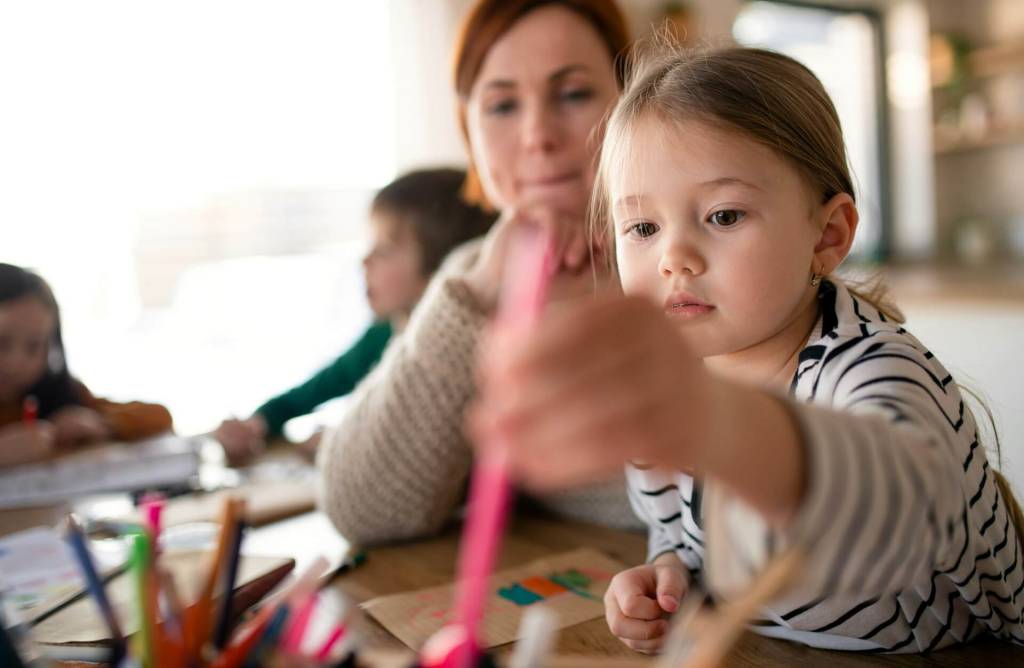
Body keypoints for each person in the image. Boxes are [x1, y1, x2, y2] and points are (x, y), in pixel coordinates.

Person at [470, 46, 1024, 653]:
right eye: (643, 228)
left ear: (828, 235)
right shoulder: (682, 383)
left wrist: (712, 419)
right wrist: (672, 574)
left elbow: (896, 510)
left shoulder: (875, 369)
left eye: (724, 215)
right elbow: (683, 534)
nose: (672, 256)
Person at [317, 0, 643, 545]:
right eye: (501, 105)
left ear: (631, 102)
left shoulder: (692, 253)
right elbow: (359, 507)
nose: (538, 134)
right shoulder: (466, 275)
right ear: (468, 132)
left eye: (574, 94)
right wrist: (483, 288)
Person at [214, 168, 496, 464]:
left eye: (384, 250)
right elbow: (314, 390)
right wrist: (258, 423)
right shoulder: (382, 334)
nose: (364, 261)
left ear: (441, 269)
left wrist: (343, 440)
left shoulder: (460, 356)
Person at [0, 263, 172, 468]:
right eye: (1, 343)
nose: (16, 363)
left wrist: (103, 425)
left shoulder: (59, 393)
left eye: (34, 346)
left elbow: (159, 415)